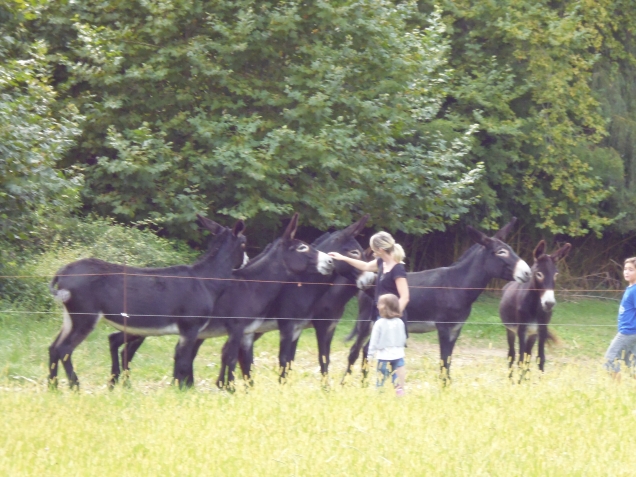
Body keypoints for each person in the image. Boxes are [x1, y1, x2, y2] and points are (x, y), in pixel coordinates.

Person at [328, 231, 409, 327]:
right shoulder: (381, 262)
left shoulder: (397, 269)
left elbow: (405, 297)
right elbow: (365, 266)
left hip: (392, 320)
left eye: (374, 249)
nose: (373, 252)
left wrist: (393, 318)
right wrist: (343, 258)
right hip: (380, 314)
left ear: (381, 250)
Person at [367, 294, 407, 394]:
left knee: (381, 380)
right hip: (398, 356)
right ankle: (399, 394)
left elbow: (373, 342)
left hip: (383, 357)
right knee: (396, 379)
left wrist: (369, 356)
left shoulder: (379, 323)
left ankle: (380, 397)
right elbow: (403, 339)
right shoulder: (400, 322)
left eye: (379, 304)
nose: (377, 306)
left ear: (385, 308)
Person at [604, 257, 636, 380]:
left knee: (609, 359)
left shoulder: (635, 290)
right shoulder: (631, 288)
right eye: (625, 269)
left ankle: (617, 390)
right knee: (632, 363)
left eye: (631, 270)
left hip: (628, 332)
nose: (627, 272)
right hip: (631, 332)